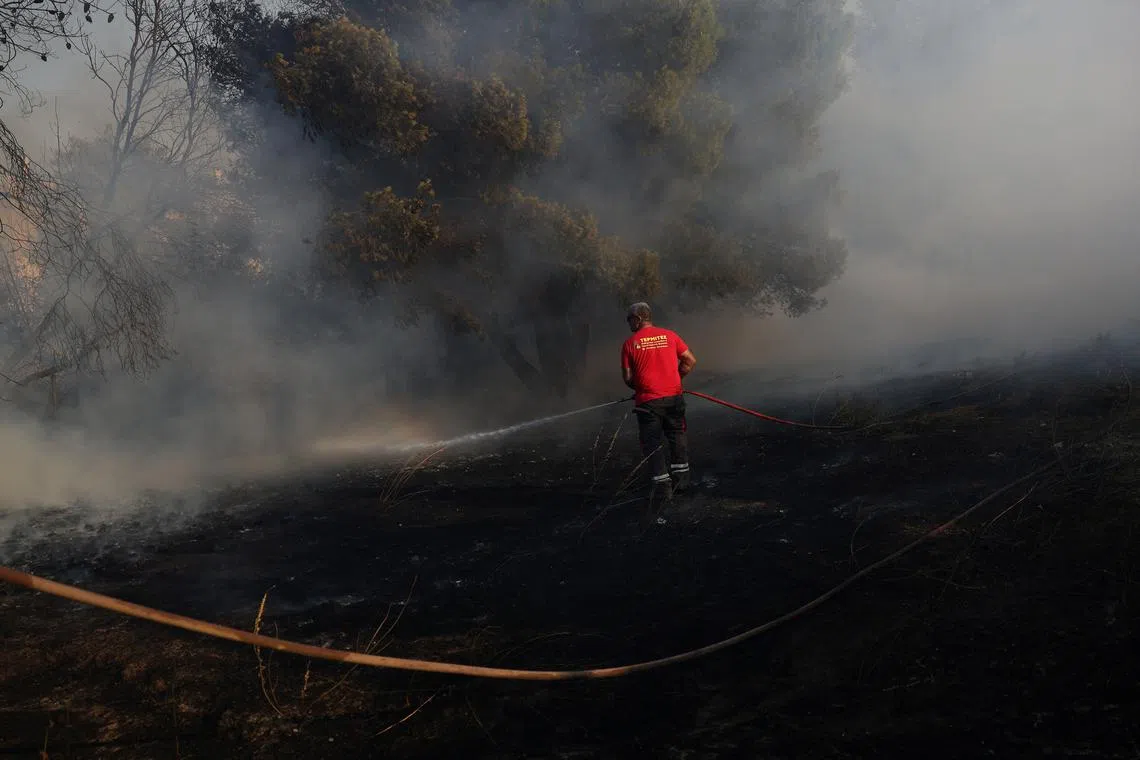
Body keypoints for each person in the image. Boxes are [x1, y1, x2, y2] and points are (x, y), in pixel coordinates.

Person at [620, 302, 697, 504]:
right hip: (674, 398)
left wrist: (642, 387)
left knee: (652, 443)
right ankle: (682, 482)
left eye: (629, 319)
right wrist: (675, 379)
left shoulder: (630, 344)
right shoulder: (670, 336)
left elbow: (628, 378)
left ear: (638, 318)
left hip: (648, 402)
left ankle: (663, 489)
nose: (628, 323)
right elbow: (690, 360)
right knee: (676, 436)